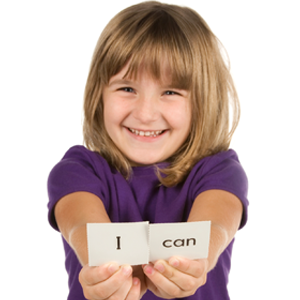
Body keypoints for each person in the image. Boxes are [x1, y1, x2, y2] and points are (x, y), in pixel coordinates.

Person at [47, 1, 248, 300]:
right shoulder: (77, 171)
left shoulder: (220, 172)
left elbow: (216, 226)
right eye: (127, 88)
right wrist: (103, 270)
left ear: (203, 102)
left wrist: (195, 263)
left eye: (170, 92)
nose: (145, 113)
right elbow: (83, 228)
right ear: (98, 96)